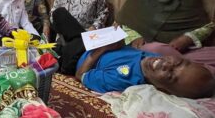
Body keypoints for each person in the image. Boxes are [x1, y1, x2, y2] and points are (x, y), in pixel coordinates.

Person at [116, 0, 215, 72]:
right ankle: (184, 69)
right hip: (149, 51)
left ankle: (184, 68)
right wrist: (133, 37)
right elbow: (120, 22)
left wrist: (188, 38)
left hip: (183, 53)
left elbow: (207, 27)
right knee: (154, 49)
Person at [75, 43, 215, 99]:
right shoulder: (152, 57)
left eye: (170, 76)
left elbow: (81, 75)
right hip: (91, 45)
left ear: (164, 90)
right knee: (62, 15)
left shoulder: (124, 79)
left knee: (60, 18)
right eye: (178, 62)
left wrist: (103, 49)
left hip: (78, 57)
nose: (167, 65)